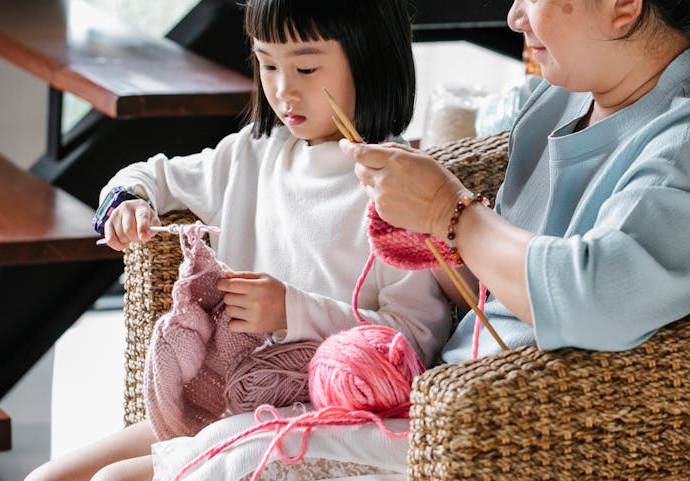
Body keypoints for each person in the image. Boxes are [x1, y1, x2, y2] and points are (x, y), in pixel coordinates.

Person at [25, 1, 451, 480]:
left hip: (317, 416)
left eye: (306, 67)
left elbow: (415, 341)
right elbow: (150, 175)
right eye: (267, 63)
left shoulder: (399, 186)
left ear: (370, 59)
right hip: (222, 400)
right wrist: (126, 202)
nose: (283, 89)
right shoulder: (253, 156)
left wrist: (290, 310)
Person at [346, 0, 690, 365]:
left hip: (526, 417)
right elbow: (493, 297)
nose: (514, 17)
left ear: (623, 3)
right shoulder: (564, 95)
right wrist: (433, 229)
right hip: (446, 390)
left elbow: (597, 302)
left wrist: (450, 211)